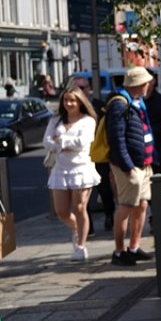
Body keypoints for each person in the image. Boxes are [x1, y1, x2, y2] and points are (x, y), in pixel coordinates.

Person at [44, 87, 102, 261]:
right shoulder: (56, 120)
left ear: (80, 101)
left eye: (73, 100)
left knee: (79, 207)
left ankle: (81, 246)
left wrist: (59, 142)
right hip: (60, 169)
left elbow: (82, 142)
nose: (69, 103)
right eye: (66, 100)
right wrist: (62, 144)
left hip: (81, 168)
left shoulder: (88, 121)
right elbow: (46, 141)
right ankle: (76, 228)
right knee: (61, 211)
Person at [107, 66, 156, 267]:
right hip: (129, 166)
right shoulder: (120, 104)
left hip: (143, 163)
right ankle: (119, 252)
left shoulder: (138, 102)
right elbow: (116, 138)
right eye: (146, 83)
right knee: (126, 206)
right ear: (138, 84)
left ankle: (134, 248)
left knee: (142, 204)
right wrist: (127, 165)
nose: (148, 86)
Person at [76, 77, 115, 233]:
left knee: (104, 190)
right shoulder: (72, 108)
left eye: (82, 87)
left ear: (89, 88)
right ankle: (88, 226)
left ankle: (110, 215)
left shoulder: (99, 106)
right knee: (81, 195)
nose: (79, 91)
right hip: (80, 157)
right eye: (76, 88)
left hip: (99, 155)